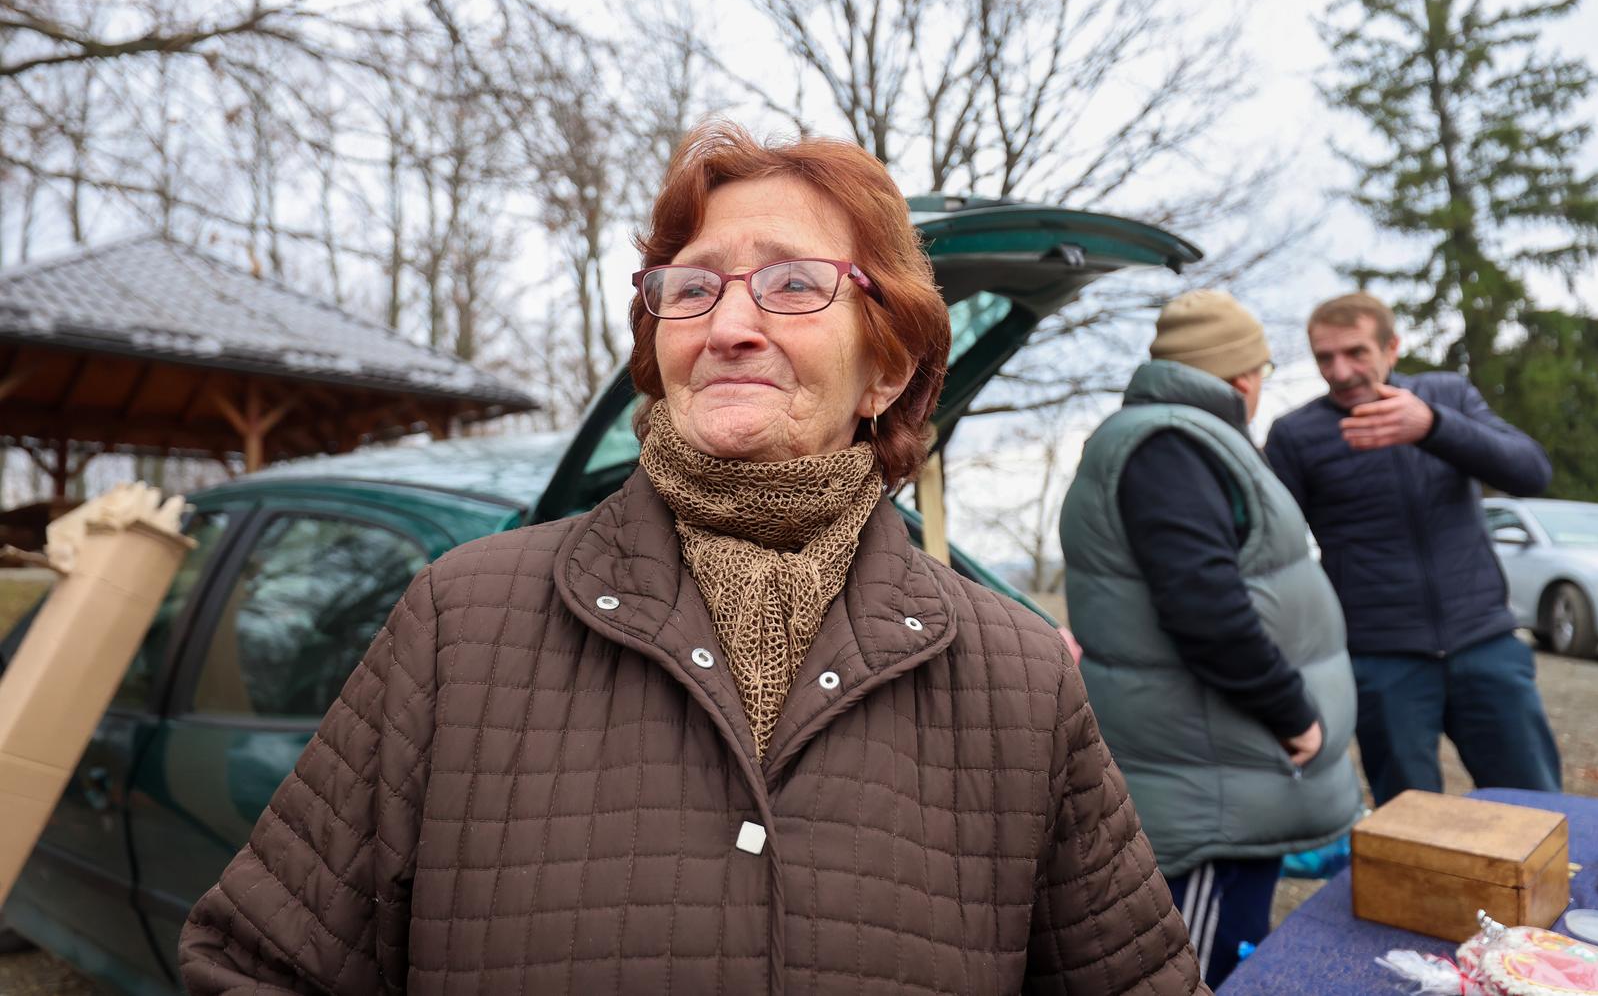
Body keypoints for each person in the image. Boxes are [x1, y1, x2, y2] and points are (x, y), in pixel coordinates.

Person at [179, 122, 1206, 995]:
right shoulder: (462, 619)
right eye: (692, 287)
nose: (729, 325)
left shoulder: (1018, 676)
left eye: (793, 284)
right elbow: (254, 961)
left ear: (886, 367)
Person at [1060, 290, 1363, 989]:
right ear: (1242, 378)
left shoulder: (1175, 438)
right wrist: (1294, 716)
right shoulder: (1171, 444)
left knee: (1225, 953)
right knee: (1189, 969)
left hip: (1222, 769)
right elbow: (1205, 608)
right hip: (1209, 784)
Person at [1265, 292, 1561, 807]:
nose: (1340, 370)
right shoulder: (1296, 435)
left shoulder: (1445, 395)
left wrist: (1433, 427)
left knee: (1536, 809)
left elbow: (1531, 471)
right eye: (1325, 357)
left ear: (1392, 347)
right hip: (1383, 661)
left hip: (1485, 644)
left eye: (1356, 352)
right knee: (1409, 825)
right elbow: (1271, 550)